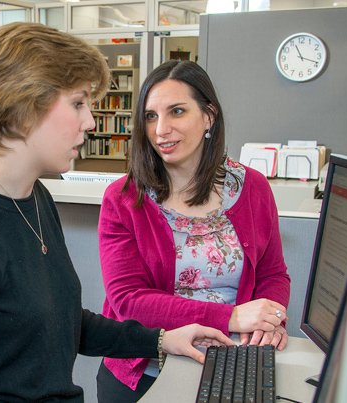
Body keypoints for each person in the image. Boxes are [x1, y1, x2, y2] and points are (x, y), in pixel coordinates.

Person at [0, 23, 235, 403]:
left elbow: (64, 323)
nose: (91, 121)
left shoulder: (35, 198)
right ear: (23, 106)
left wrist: (161, 339)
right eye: (78, 103)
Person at [96, 60, 292, 400]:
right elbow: (128, 301)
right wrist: (230, 317)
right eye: (151, 116)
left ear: (209, 117)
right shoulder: (124, 199)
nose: (161, 130)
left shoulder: (253, 188)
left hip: (232, 365)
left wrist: (269, 320)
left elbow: (273, 272)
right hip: (149, 370)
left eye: (177, 112)